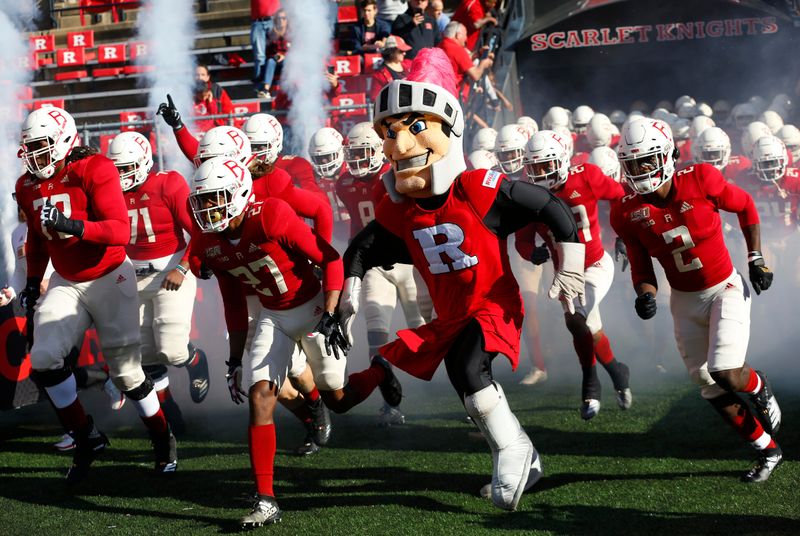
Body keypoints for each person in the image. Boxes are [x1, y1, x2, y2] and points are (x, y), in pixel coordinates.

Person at [338, 48, 585, 511]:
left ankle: (515, 451)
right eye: (390, 133)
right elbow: (361, 250)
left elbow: (548, 205)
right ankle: (521, 454)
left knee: (471, 369)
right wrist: (347, 297)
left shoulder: (477, 188)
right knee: (465, 382)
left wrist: (569, 262)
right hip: (452, 315)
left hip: (492, 302)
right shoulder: (400, 210)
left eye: (414, 128)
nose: (400, 144)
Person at [188, 157, 402, 527]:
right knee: (260, 395)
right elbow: (234, 303)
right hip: (273, 315)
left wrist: (334, 311)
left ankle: (380, 370)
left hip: (314, 306)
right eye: (203, 200)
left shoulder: (270, 215)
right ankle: (266, 498)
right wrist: (234, 360)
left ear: (239, 194)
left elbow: (331, 258)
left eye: (216, 198)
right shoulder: (208, 241)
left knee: (340, 399)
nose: (208, 208)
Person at [610, 118, 783, 483]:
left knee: (725, 370)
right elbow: (642, 268)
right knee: (708, 384)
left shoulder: (700, 179)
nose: (639, 170)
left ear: (669, 156)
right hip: (685, 301)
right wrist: (645, 295)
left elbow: (746, 206)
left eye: (647, 160)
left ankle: (757, 385)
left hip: (725, 288)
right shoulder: (625, 211)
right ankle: (767, 449)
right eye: (632, 163)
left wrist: (755, 258)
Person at [15, 106, 176, 483]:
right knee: (43, 357)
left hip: (109, 277)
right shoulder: (27, 186)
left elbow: (120, 231)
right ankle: (86, 436)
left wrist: (72, 225)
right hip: (66, 281)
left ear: (63, 142)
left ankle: (161, 435)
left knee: (126, 373)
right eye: (30, 147)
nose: (34, 155)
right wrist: (31, 281)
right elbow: (37, 240)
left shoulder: (95, 168)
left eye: (41, 146)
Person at [523, 130, 632, 420]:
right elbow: (523, 238)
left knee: (576, 320)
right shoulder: (529, 195)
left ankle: (590, 384)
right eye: (534, 168)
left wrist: (623, 233)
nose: (541, 174)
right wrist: (530, 253)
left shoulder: (586, 176)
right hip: (564, 275)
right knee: (591, 333)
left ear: (562, 160)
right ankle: (619, 374)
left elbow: (621, 195)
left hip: (595, 264)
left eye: (546, 166)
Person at [107, 131, 211, 435]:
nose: (120, 176)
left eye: (125, 168)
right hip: (131, 275)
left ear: (142, 163)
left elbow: (200, 231)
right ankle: (169, 410)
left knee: (172, 349)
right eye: (116, 169)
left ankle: (195, 360)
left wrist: (182, 267)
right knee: (146, 354)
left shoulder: (168, 183)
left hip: (170, 270)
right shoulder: (110, 192)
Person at [336, 122, 433, 425]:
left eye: (364, 152)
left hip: (408, 261)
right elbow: (356, 225)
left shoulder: (395, 175)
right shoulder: (344, 184)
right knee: (375, 332)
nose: (357, 159)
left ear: (379, 150)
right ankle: (388, 403)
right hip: (376, 264)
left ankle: (467, 388)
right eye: (353, 153)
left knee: (427, 331)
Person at [438, 21, 493, 89]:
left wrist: (478, 53)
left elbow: (460, 62)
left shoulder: (440, 45)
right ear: (458, 35)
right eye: (465, 35)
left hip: (441, 88)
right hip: (453, 92)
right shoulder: (458, 50)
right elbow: (475, 75)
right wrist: (483, 64)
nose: (466, 39)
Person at [257, 8, 290, 101]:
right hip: (275, 63)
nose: (281, 20)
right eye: (278, 18)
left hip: (289, 62)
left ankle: (289, 88)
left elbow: (297, 51)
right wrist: (275, 56)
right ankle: (265, 90)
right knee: (270, 61)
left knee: (288, 61)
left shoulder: (292, 34)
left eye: (283, 18)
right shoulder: (272, 34)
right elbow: (267, 52)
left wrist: (285, 56)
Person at [250, 0, 280, 96]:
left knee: (276, 52)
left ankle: (270, 83)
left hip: (273, 20)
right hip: (258, 21)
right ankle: (261, 85)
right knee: (259, 56)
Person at [369, 35, 412, 102]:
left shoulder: (409, 64)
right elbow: (375, 99)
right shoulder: (379, 75)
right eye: (401, 51)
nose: (404, 53)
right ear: (391, 51)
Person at [194, 64, 234, 131]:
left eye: (203, 75)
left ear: (208, 77)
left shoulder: (217, 90)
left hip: (217, 129)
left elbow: (228, 111)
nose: (200, 77)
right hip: (196, 131)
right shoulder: (187, 93)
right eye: (197, 75)